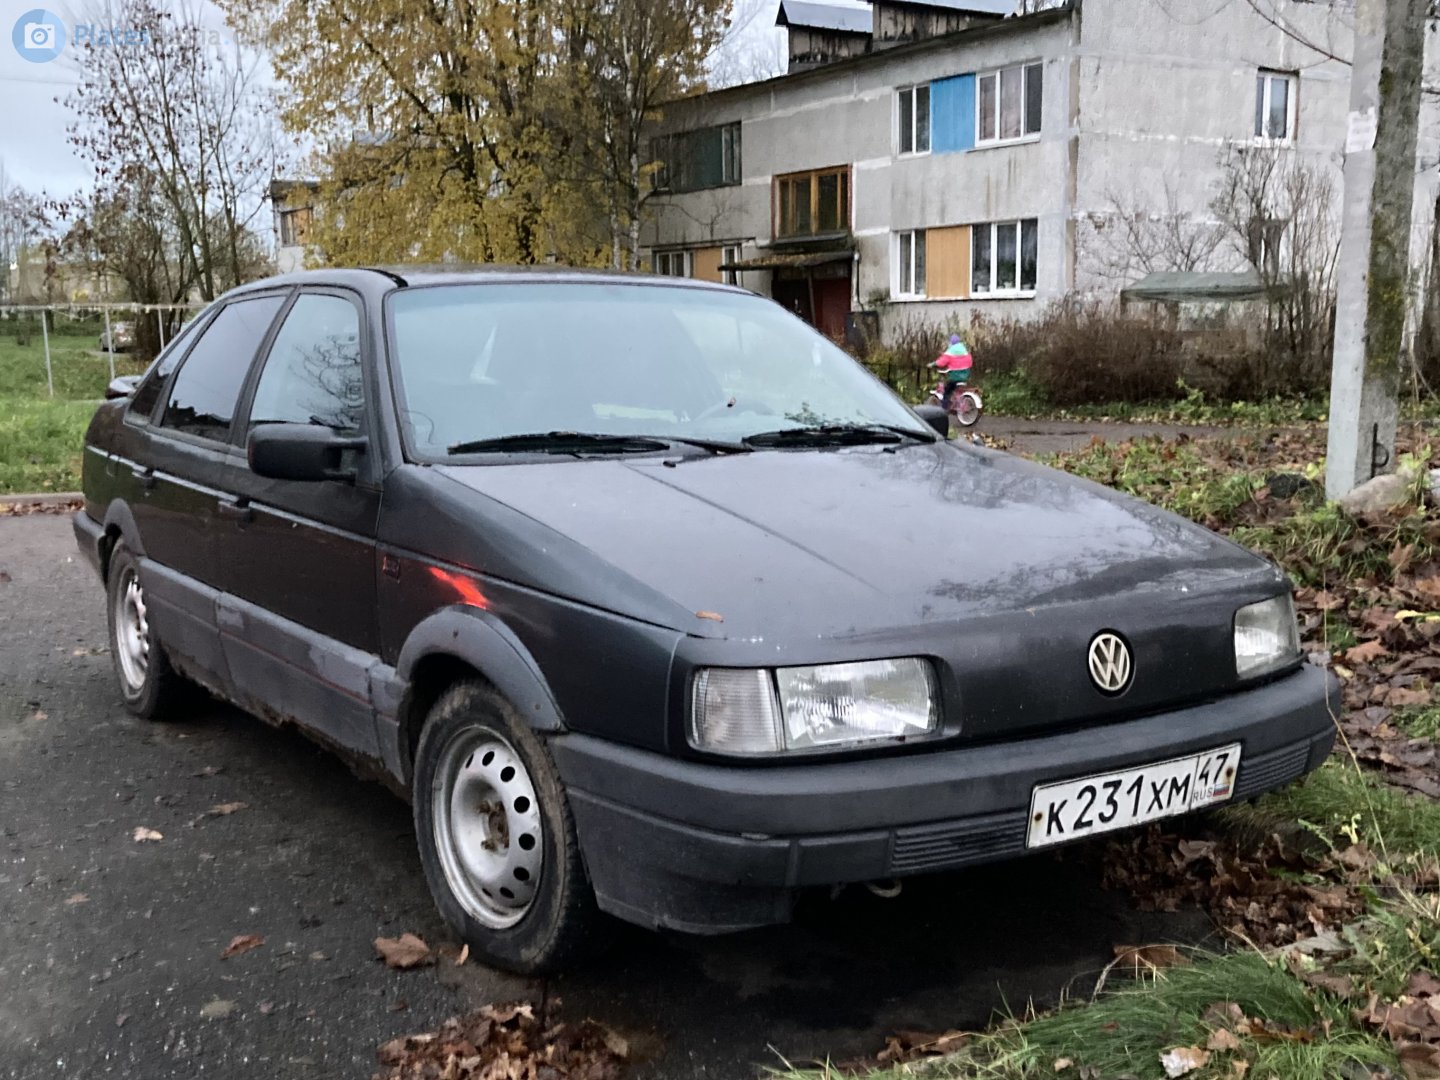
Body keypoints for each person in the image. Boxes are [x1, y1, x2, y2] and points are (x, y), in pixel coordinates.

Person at [933, 334, 973, 411]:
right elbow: (970, 363)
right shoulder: (965, 351)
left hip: (954, 377)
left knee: (946, 391)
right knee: (956, 390)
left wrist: (933, 364)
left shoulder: (951, 351)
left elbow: (941, 362)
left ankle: (943, 411)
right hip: (965, 376)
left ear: (951, 342)